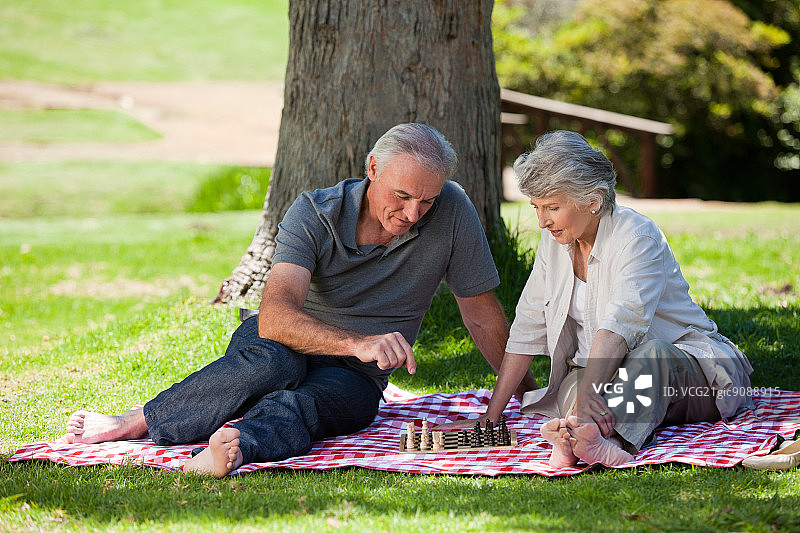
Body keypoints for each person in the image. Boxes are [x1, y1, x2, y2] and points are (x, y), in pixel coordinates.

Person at [65, 123, 536, 477]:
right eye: (402, 195)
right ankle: (138, 421)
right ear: (372, 168)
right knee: (272, 367)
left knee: (309, 405)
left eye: (427, 201)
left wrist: (531, 395)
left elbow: (480, 315)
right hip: (283, 344)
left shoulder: (452, 210)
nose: (413, 214)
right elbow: (273, 318)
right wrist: (359, 342)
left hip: (356, 377)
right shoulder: (314, 212)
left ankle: (234, 447)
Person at [437, 130, 753, 467]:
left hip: (689, 374)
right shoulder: (556, 241)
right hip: (603, 373)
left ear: (593, 200)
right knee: (571, 389)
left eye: (552, 207)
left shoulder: (638, 236)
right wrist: (491, 417)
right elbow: (528, 326)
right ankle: (579, 436)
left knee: (650, 359)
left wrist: (590, 392)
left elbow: (619, 326)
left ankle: (601, 440)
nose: (542, 221)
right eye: (536, 208)